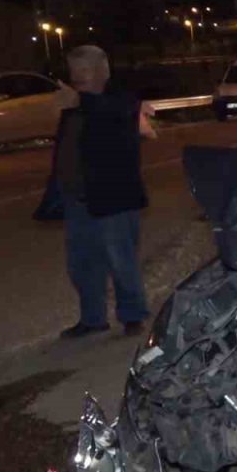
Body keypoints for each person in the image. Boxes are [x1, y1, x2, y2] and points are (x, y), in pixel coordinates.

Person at [37, 45, 154, 338]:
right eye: (73, 71)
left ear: (103, 71)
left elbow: (111, 111)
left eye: (84, 70)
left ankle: (132, 316)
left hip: (114, 198)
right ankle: (92, 319)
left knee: (121, 261)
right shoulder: (76, 106)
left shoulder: (121, 100)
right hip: (78, 199)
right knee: (82, 264)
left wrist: (80, 101)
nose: (77, 77)